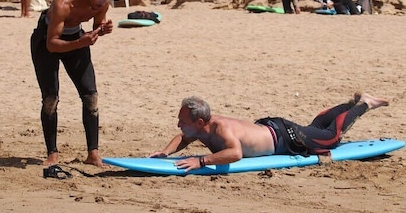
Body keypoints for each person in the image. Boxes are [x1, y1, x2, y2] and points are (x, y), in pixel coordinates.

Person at [150, 93, 389, 172]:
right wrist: (165, 152)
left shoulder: (221, 129)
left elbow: (235, 153)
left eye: (182, 120)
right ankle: (349, 104)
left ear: (200, 121)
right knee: (316, 129)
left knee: (331, 138)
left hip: (286, 138)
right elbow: (182, 137)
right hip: (274, 128)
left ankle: (363, 105)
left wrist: (201, 161)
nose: (179, 124)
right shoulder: (198, 128)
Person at [30, 0, 120, 167]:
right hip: (47, 41)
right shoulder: (63, 4)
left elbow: (97, 25)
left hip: (76, 40)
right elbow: (52, 44)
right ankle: (52, 153)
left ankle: (93, 153)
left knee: (90, 96)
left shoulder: (102, 4)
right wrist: (81, 41)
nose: (103, 2)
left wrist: (102, 29)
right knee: (50, 99)